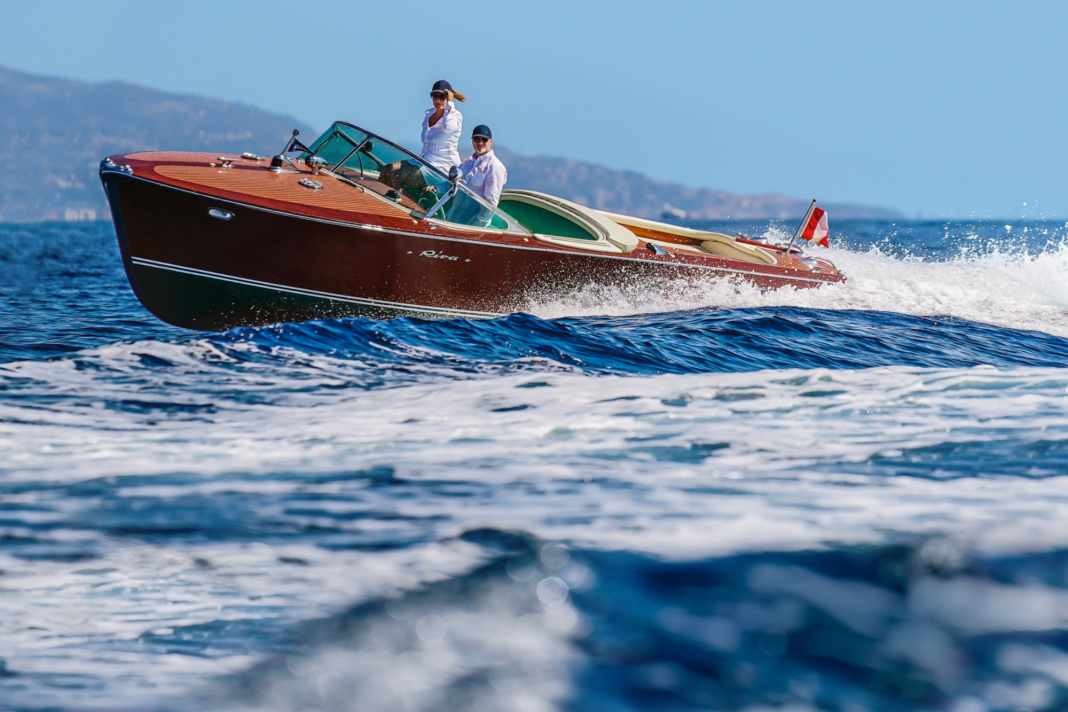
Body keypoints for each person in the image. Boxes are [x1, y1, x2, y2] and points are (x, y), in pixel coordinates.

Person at [420, 80, 465, 173]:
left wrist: (450, 104)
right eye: (435, 96)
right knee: (391, 169)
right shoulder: (428, 114)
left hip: (444, 168)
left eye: (442, 97)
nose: (438, 100)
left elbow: (448, 129)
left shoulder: (455, 116)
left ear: (448, 98)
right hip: (425, 162)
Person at [459, 124, 507, 209]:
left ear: (491, 142)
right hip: (455, 214)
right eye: (476, 139)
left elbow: (490, 204)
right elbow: (453, 184)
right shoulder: (467, 163)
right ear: (472, 141)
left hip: (470, 219)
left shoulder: (495, 167)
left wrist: (476, 222)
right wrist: (435, 188)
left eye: (484, 139)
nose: (480, 143)